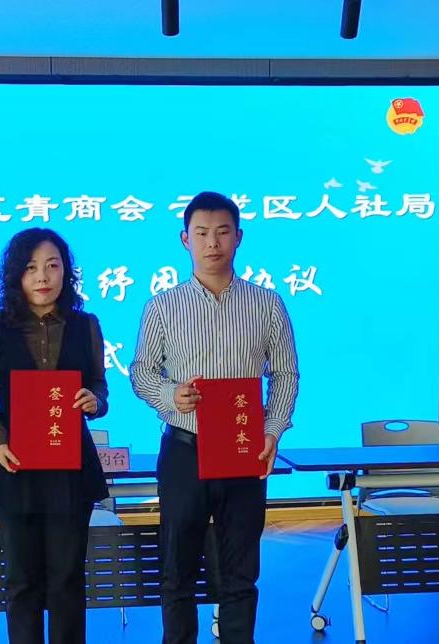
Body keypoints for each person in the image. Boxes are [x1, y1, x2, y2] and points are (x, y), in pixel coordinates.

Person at [129, 191, 299, 644]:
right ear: (185, 240)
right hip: (185, 449)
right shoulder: (162, 306)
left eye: (223, 232)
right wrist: (170, 395)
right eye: (202, 233)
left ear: (239, 237)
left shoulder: (267, 304)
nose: (213, 243)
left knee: (240, 571)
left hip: (244, 450)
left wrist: (272, 430)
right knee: (177, 570)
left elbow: (285, 373)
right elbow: (141, 372)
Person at [0, 228, 109, 644]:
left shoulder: (86, 325)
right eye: (31, 268)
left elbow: (99, 387)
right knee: (22, 580)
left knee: (68, 579)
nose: (43, 276)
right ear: (16, 275)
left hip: (71, 468)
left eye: (52, 265)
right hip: (15, 464)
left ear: (67, 271)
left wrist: (95, 401)